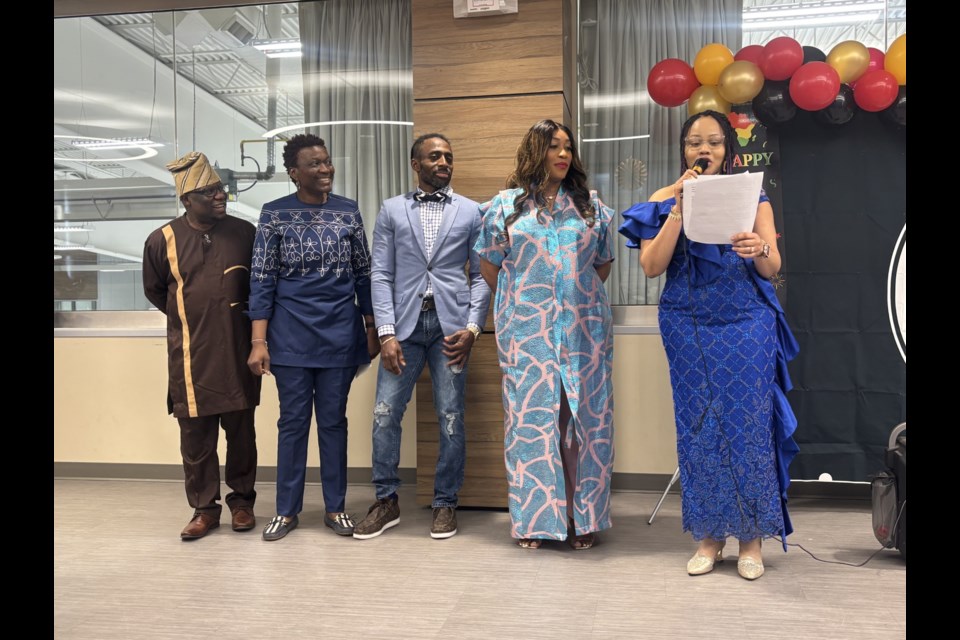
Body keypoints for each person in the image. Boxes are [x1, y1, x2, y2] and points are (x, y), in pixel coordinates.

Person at [618, 109, 800, 580]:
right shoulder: (663, 199)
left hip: (745, 321)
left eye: (715, 142)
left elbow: (772, 266)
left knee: (747, 426)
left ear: (729, 150)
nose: (705, 150)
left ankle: (752, 540)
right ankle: (708, 535)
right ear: (683, 150)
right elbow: (652, 267)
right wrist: (678, 206)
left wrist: (758, 249)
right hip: (687, 322)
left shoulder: (752, 197)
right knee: (699, 425)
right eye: (695, 142)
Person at [475, 119, 615, 550]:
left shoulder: (590, 207)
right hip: (527, 332)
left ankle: (584, 516)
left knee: (585, 422)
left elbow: (603, 264)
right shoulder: (504, 207)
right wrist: (527, 304)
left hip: (584, 331)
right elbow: (489, 268)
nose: (563, 154)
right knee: (531, 423)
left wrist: (572, 295)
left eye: (567, 147)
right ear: (535, 151)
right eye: (553, 146)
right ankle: (537, 521)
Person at [352, 133, 491, 540]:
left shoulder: (471, 211)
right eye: (435, 156)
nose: (444, 161)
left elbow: (481, 275)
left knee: (451, 418)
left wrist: (471, 327)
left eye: (449, 155)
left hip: (451, 328)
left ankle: (445, 503)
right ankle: (386, 501)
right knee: (384, 414)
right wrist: (387, 332)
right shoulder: (392, 209)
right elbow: (381, 273)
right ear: (416, 164)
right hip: (404, 329)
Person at [248, 133, 379, 541]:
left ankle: (335, 508)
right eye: (315, 164)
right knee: (292, 423)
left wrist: (373, 327)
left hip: (340, 333)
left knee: (333, 423)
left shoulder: (348, 212)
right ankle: (286, 511)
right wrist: (258, 341)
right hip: (289, 335)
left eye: (327, 162)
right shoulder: (273, 214)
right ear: (294, 173)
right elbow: (261, 279)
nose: (325, 170)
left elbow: (364, 273)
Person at [142, 151, 261, 540]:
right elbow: (157, 292)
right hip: (191, 357)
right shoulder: (162, 240)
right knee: (196, 439)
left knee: (242, 435)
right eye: (208, 192)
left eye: (220, 189)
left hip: (239, 351)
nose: (219, 196)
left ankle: (242, 504)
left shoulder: (245, 233)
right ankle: (204, 509)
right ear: (186, 199)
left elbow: (260, 290)